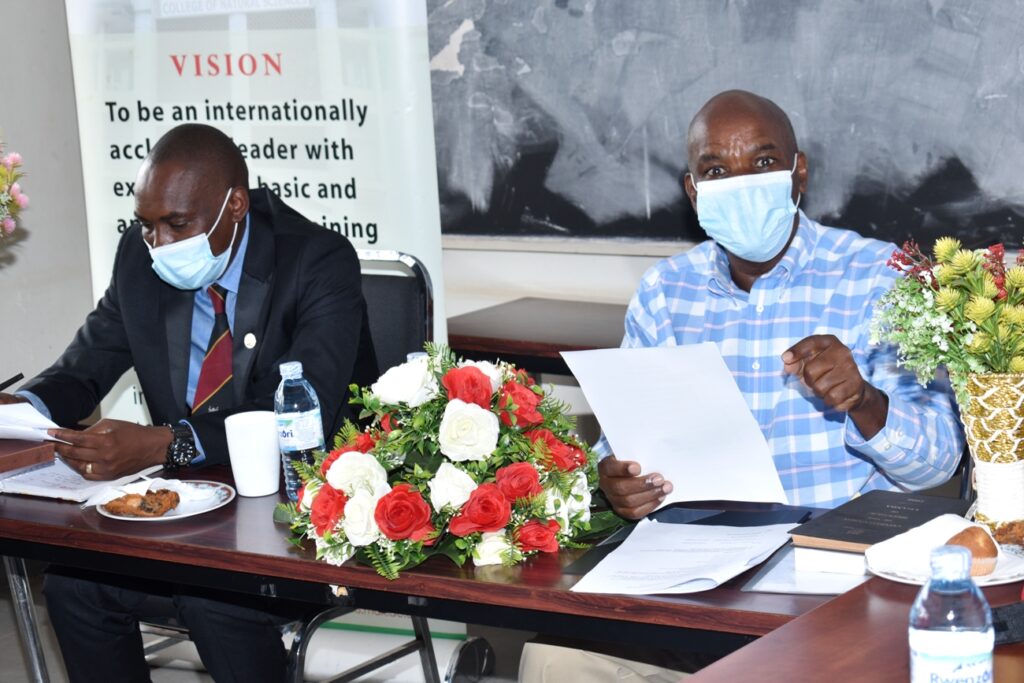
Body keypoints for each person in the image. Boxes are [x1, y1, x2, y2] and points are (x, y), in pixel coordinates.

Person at [518, 90, 964, 681]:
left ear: (797, 173)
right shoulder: (666, 291)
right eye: (715, 170)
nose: (741, 182)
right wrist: (615, 480)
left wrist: (865, 401)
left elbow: (939, 464)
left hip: (821, 574)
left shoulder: (878, 277)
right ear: (692, 191)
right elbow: (619, 442)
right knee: (552, 659)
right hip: (687, 565)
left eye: (761, 162)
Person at [0, 123, 377, 682]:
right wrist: (18, 409)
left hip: (296, 507)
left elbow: (307, 408)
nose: (160, 243)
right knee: (74, 585)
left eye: (177, 224)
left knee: (215, 595)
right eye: (147, 225)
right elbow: (85, 367)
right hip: (189, 506)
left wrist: (168, 441)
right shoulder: (141, 257)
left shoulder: (316, 261)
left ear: (236, 206)